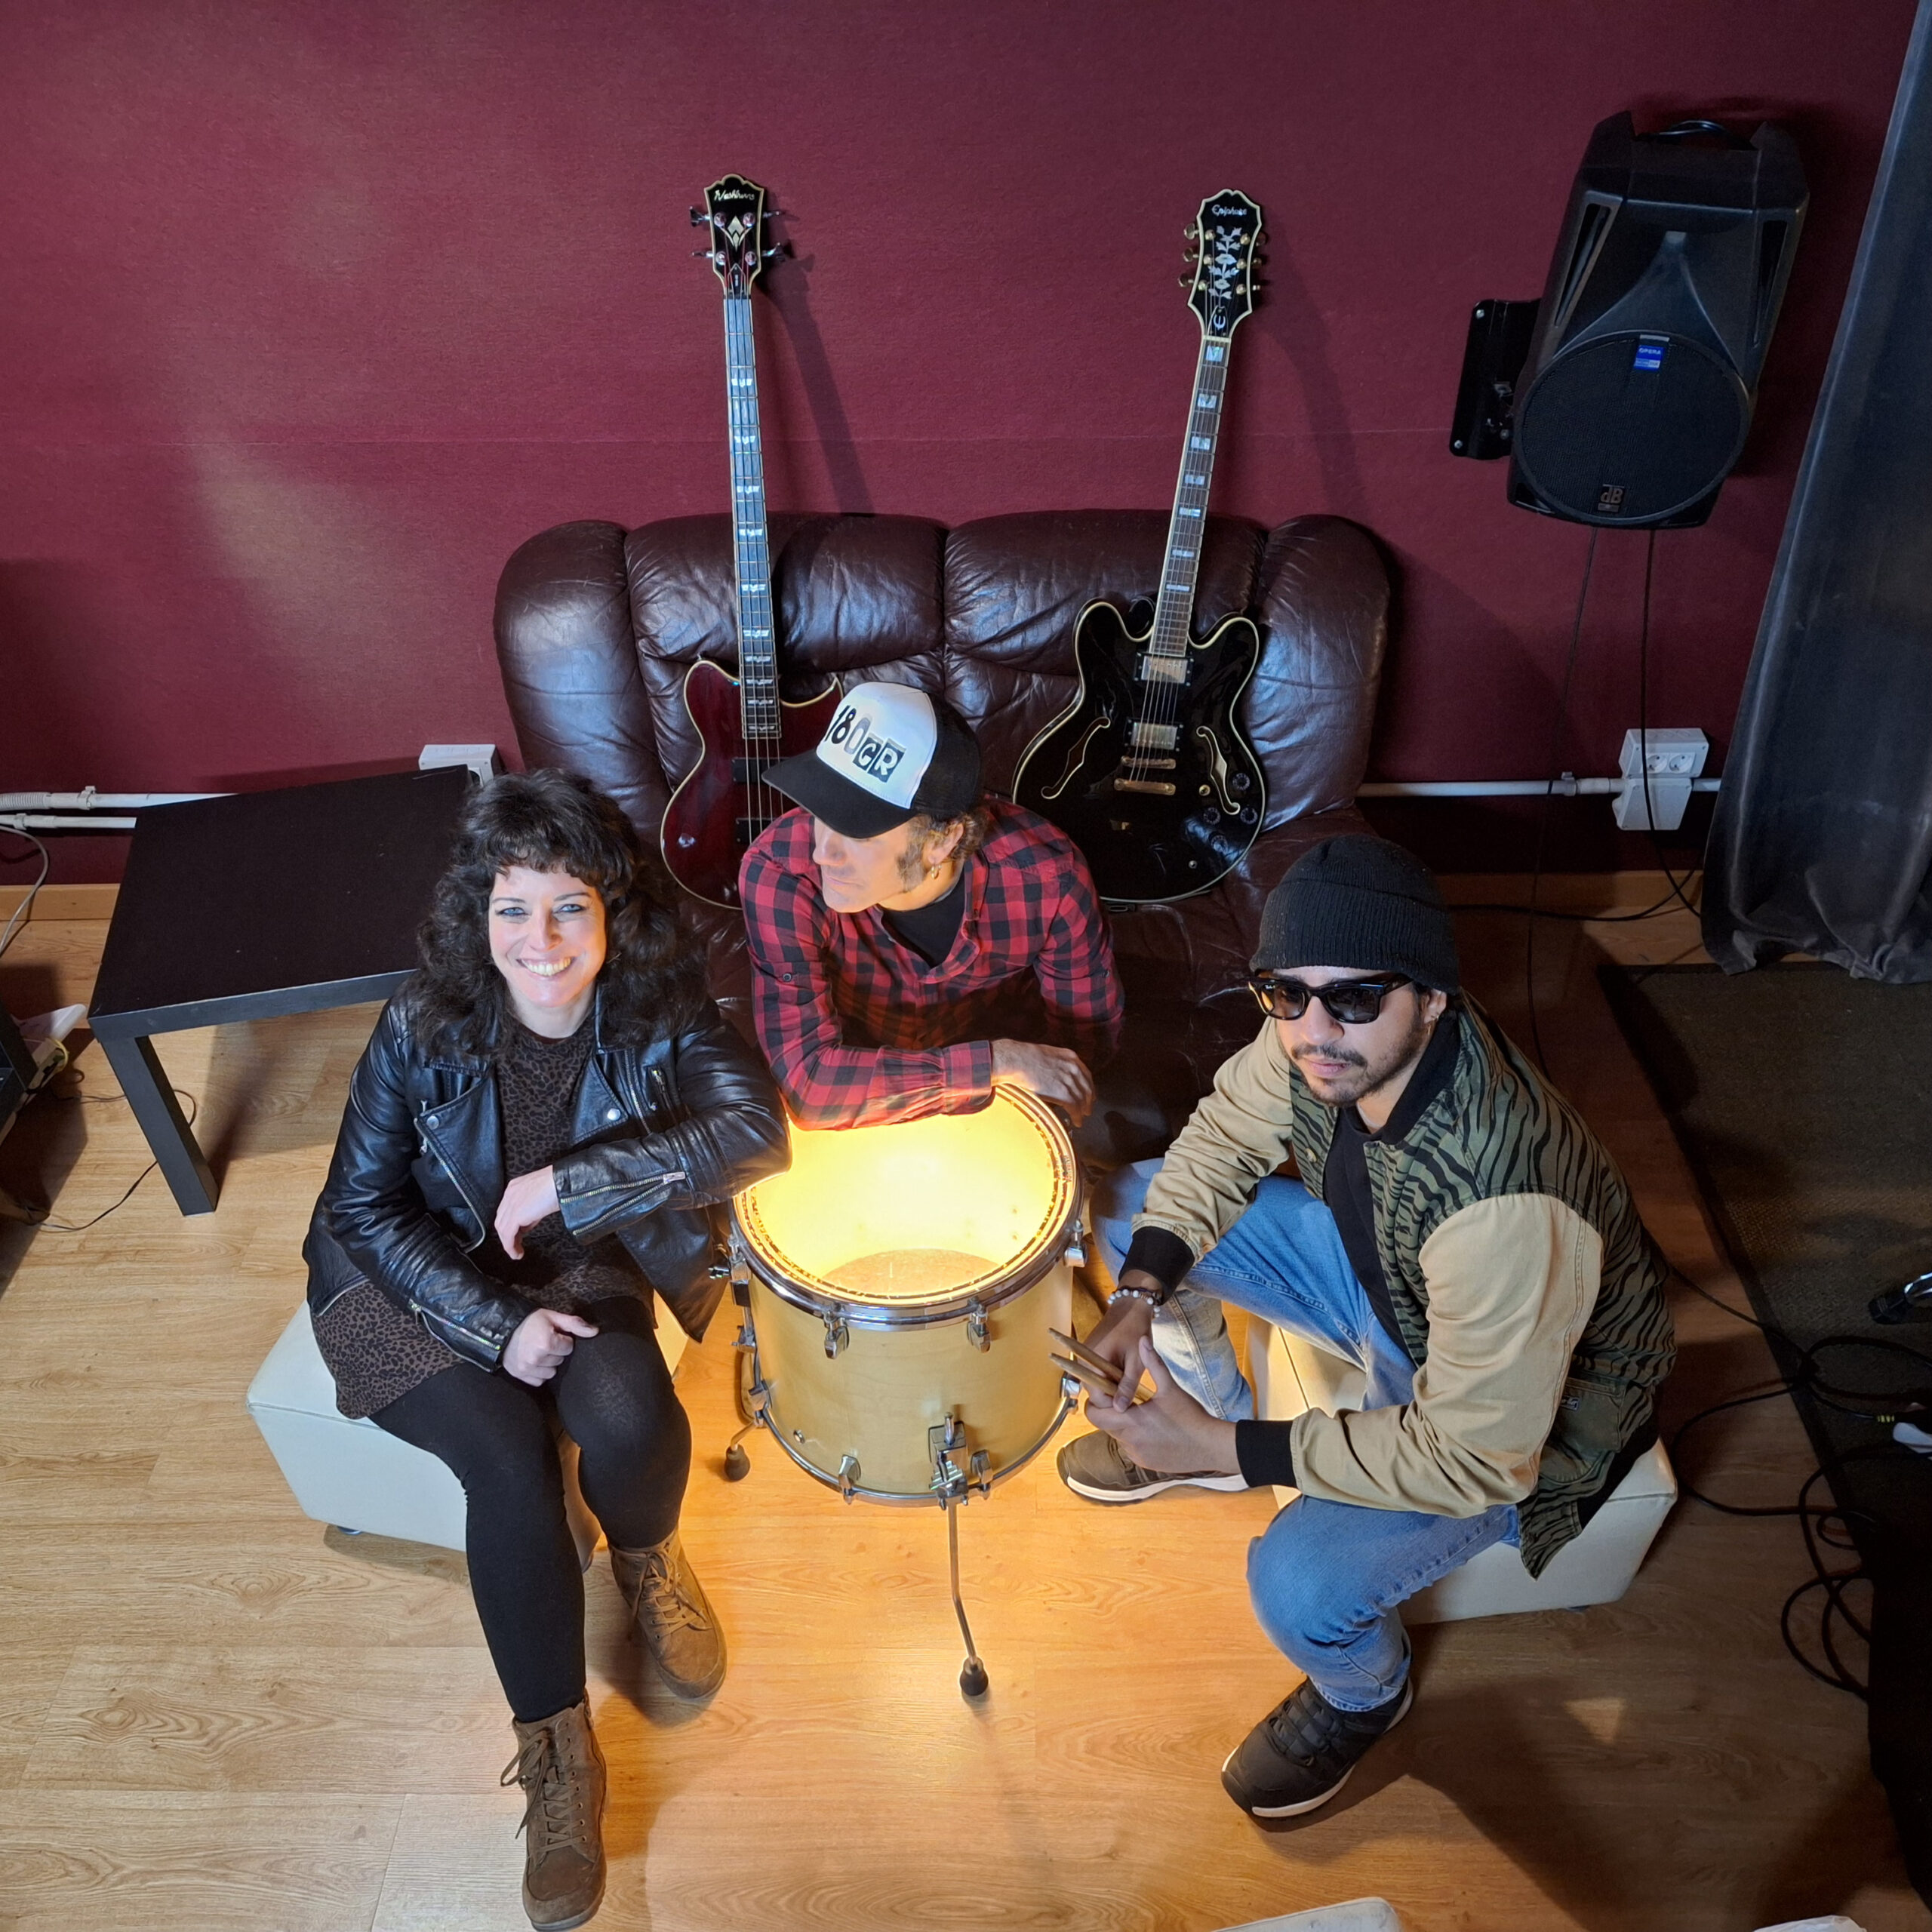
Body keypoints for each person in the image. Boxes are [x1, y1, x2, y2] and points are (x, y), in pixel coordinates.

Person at [1061, 835, 1675, 1817]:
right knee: (1134, 1215)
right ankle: (1195, 1432)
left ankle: (1366, 1695)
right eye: (1285, 993)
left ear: (1432, 998)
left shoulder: (1502, 1200)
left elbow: (1476, 1457)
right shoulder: (1320, 1031)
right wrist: (1135, 1298)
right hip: (1387, 1278)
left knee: (1295, 1584)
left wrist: (1240, 1448)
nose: (1314, 1031)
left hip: (1530, 1409)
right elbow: (1222, 1137)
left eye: (1353, 998)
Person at [303, 771, 788, 1931]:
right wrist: (494, 1327)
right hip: (396, 1278)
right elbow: (361, 1208)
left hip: (571, 1255)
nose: (543, 940)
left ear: (614, 910)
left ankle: (647, 1559)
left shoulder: (662, 1004)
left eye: (571, 906)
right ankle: (559, 1752)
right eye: (513, 908)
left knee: (631, 1414)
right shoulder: (421, 1021)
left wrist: (569, 1184)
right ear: (479, 915)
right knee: (510, 1464)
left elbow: (757, 1134)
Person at [739, 680, 1124, 1135]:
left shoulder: (1048, 878)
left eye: (857, 832)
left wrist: (1015, 1086)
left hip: (1001, 1105)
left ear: (942, 840)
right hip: (865, 1086)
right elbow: (809, 1088)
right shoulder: (780, 870)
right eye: (819, 812)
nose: (823, 853)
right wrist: (996, 1062)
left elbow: (1079, 1052)